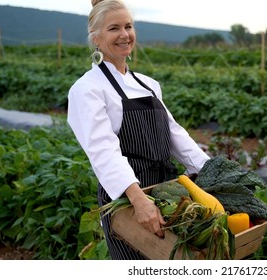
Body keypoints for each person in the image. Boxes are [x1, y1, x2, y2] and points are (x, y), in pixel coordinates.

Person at [67, 0, 210, 260]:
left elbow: (175, 135)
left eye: (128, 26)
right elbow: (103, 151)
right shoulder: (87, 89)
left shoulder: (148, 84)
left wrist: (210, 172)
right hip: (128, 198)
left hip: (166, 191)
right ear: (96, 39)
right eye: (113, 28)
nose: (124, 34)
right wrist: (138, 200)